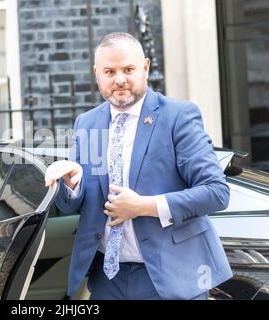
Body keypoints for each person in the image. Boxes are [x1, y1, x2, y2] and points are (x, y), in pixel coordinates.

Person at [45, 32, 232, 300]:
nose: (119, 79)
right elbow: (71, 206)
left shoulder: (177, 116)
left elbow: (216, 192)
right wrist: (73, 184)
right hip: (108, 280)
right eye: (109, 71)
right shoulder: (86, 123)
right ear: (97, 73)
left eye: (128, 69)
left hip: (169, 278)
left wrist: (143, 206)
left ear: (145, 68)